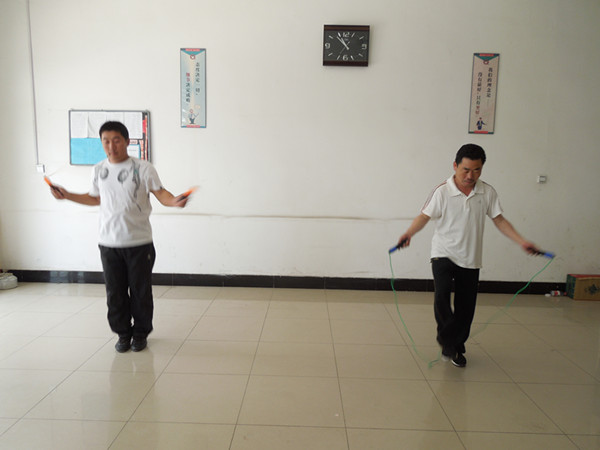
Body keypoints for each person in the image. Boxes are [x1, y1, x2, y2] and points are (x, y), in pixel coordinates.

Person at [49, 121, 189, 353]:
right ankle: (123, 334)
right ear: (101, 143)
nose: (111, 146)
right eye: (106, 141)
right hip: (108, 243)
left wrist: (174, 201)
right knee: (115, 293)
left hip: (139, 242)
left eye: (116, 140)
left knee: (140, 292)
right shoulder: (98, 170)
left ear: (127, 141)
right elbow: (95, 198)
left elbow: (161, 193)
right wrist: (68, 195)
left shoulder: (143, 168)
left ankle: (140, 334)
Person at [397, 144, 540, 367]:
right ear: (455, 166)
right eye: (465, 170)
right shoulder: (442, 191)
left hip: (471, 258)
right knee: (442, 295)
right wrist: (409, 233)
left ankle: (455, 345)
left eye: (476, 170)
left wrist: (522, 241)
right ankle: (447, 341)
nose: (470, 176)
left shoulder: (487, 192)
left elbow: (499, 220)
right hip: (443, 253)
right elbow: (424, 216)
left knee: (466, 308)